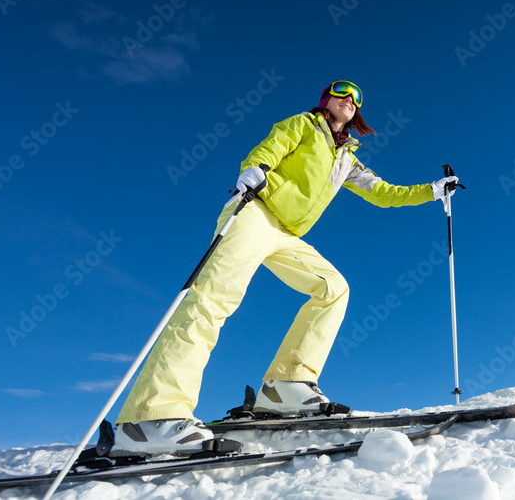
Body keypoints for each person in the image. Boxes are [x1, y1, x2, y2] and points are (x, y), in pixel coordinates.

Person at [111, 80, 459, 455]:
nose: (351, 100)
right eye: (343, 93)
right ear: (326, 100)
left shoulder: (347, 160)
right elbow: (271, 147)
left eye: (357, 98)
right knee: (214, 297)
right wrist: (254, 169)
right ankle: (151, 418)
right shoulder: (303, 126)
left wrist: (432, 190)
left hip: (286, 233)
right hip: (256, 211)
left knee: (333, 287)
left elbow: (384, 193)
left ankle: (285, 388)